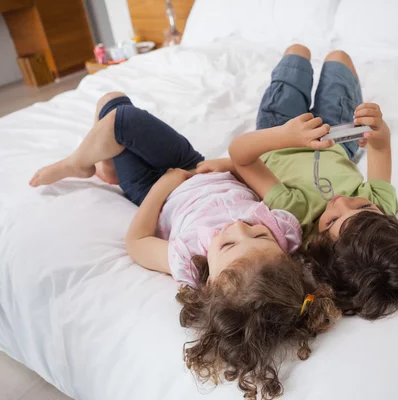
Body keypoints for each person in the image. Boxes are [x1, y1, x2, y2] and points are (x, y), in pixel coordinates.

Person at [29, 92, 341, 399]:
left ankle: (80, 163)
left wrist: (165, 185)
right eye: (259, 235)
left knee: (115, 112)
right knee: (120, 112)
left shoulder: (189, 260)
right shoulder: (284, 231)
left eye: (228, 244)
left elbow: (136, 242)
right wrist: (223, 167)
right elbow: (246, 169)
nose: (238, 227)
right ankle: (106, 165)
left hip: (154, 189)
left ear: (210, 284)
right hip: (194, 165)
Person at [229, 44, 398, 320]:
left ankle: (299, 58)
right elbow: (380, 147)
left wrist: (286, 136)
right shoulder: (381, 209)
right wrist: (379, 130)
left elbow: (241, 156)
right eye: (362, 207)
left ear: (317, 245)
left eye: (332, 221)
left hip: (279, 132)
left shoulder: (295, 213)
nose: (342, 201)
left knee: (297, 54)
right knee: (339, 57)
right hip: (336, 136)